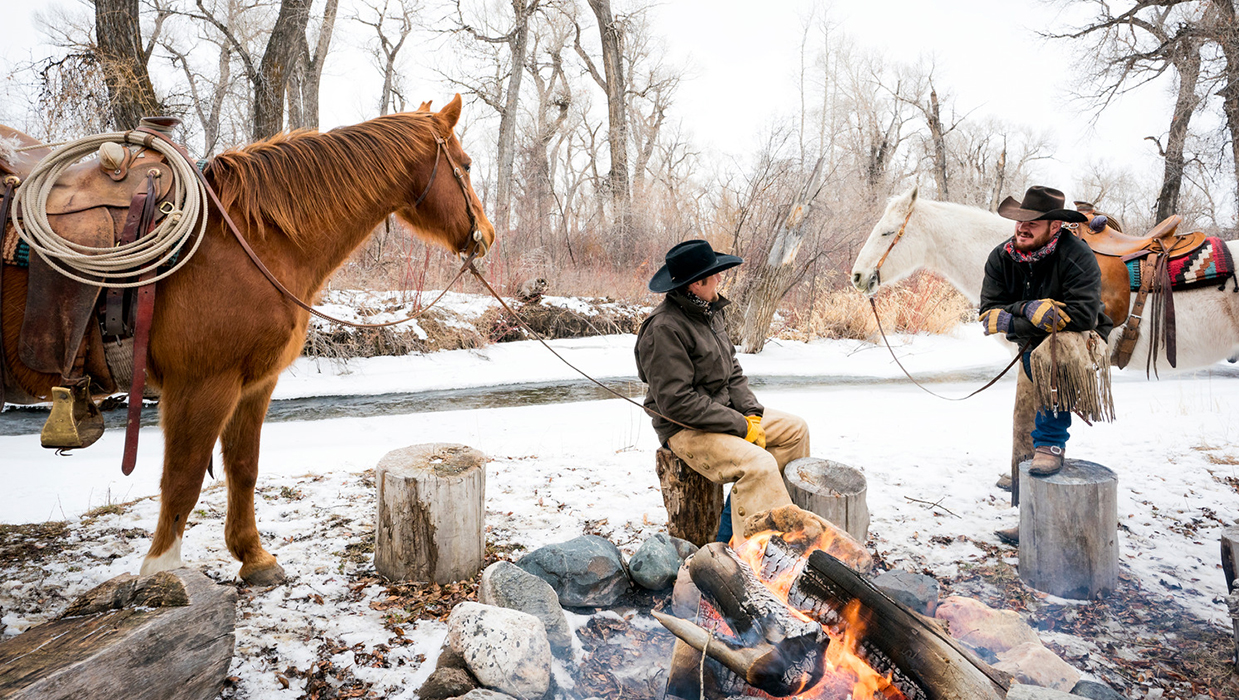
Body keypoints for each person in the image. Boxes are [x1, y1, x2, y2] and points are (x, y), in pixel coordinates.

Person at [634, 240, 810, 541]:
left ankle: (772, 523)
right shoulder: (664, 329)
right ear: (695, 284)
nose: (719, 278)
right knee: (759, 463)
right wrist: (741, 425)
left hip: (724, 411)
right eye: (714, 274)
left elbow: (733, 369)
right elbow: (677, 403)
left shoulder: (709, 312)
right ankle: (740, 549)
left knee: (795, 430)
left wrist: (751, 414)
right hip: (683, 429)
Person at [979, 186, 1113, 544]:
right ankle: (1029, 519)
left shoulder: (1076, 255)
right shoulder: (1001, 257)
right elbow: (989, 312)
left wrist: (1014, 315)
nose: (1022, 228)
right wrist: (1028, 309)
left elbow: (1083, 315)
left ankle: (1052, 444)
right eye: (1020, 221)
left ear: (1055, 226)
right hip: (1031, 348)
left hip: (1079, 341)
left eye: (1033, 222)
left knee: (1057, 347)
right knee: (1024, 425)